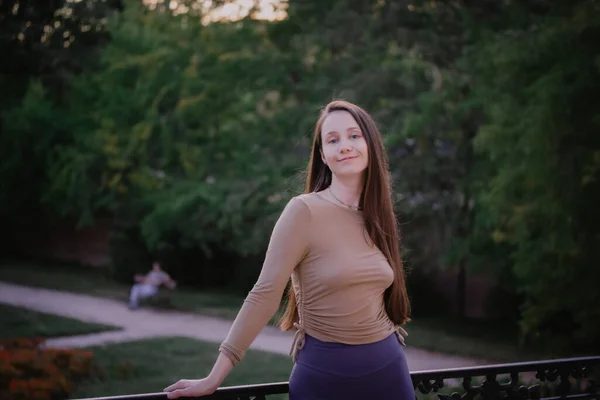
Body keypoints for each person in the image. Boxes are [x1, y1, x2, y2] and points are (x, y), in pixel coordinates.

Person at [164, 100, 414, 399]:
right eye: (333, 140)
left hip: (388, 370)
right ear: (323, 155)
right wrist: (213, 378)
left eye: (354, 136)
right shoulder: (303, 211)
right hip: (325, 375)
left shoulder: (377, 214)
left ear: (371, 145)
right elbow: (264, 293)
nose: (345, 146)